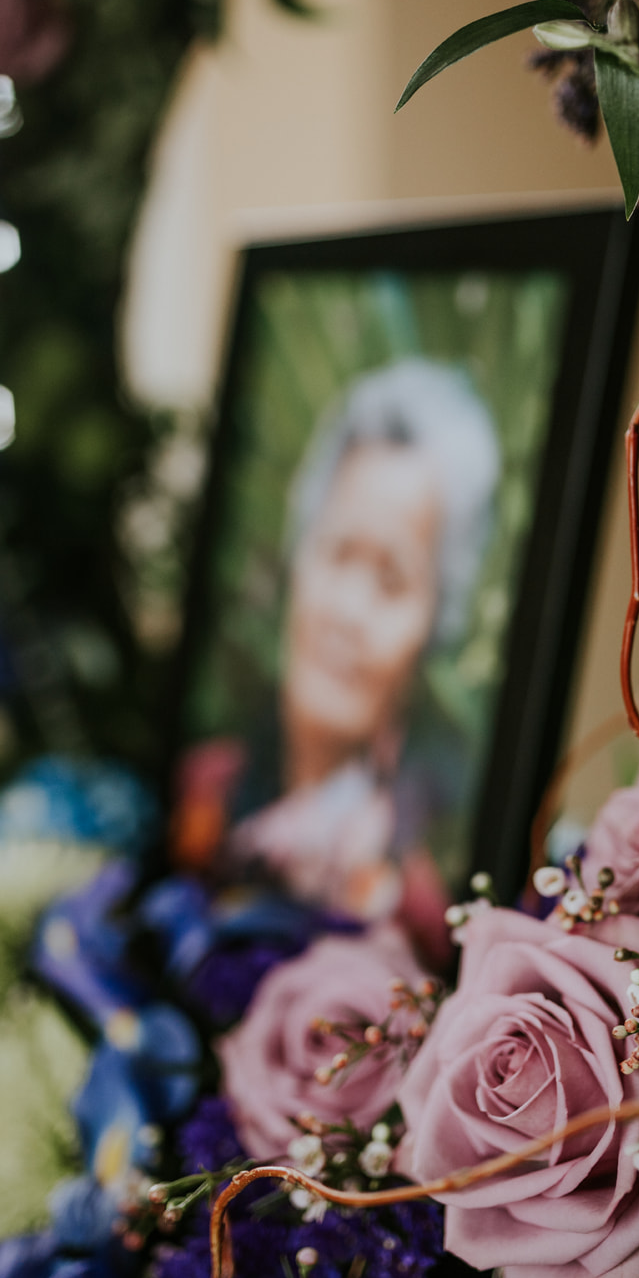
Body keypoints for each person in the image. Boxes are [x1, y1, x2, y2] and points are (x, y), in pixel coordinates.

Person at [173, 359, 500, 951]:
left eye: (392, 580)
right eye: (338, 553)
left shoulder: (428, 902)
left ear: (436, 624)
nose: (348, 612)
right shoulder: (203, 787)